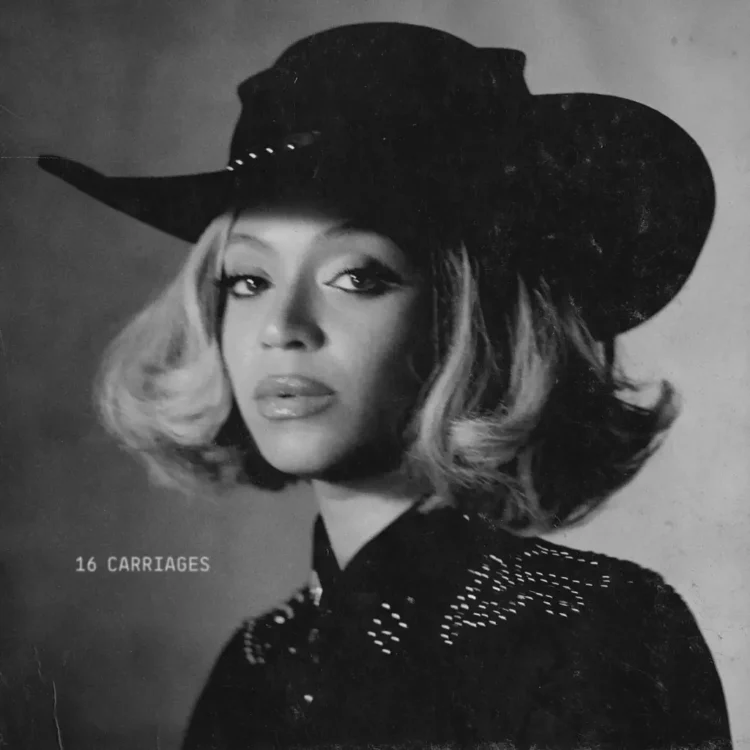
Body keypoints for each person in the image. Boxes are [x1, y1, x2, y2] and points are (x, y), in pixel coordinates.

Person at [38, 22, 732, 750]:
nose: (283, 326)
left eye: (359, 277)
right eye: (247, 279)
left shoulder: (595, 635)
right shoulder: (259, 665)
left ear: (471, 320)